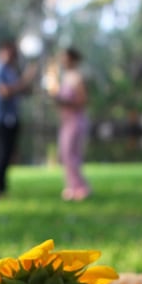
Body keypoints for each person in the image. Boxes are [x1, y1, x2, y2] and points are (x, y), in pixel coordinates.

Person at [0, 39, 36, 201]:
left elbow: (23, 91)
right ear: (3, 51)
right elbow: (4, 92)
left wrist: (26, 83)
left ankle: (1, 187)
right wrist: (24, 80)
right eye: (12, 53)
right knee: (2, 153)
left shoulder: (10, 70)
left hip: (11, 118)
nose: (14, 57)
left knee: (8, 154)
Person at [50, 47, 90, 201]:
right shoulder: (65, 77)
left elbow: (83, 100)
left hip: (76, 121)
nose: (62, 61)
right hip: (66, 121)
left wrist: (63, 101)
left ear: (72, 59)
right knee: (65, 154)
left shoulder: (77, 77)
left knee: (72, 155)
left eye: (65, 57)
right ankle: (72, 186)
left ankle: (80, 187)